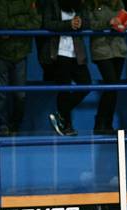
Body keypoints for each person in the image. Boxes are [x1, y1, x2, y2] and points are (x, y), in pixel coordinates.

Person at [43, 0, 91, 137]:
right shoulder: (52, 3)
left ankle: (60, 114)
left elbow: (88, 22)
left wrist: (81, 23)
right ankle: (67, 126)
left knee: (86, 85)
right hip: (59, 53)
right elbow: (47, 23)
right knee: (64, 90)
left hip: (77, 53)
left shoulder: (80, 4)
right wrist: (68, 25)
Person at [0, 0, 39, 136]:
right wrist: (23, 22)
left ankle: (15, 126)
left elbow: (36, 22)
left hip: (21, 53)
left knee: (20, 95)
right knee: (0, 94)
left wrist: (12, 29)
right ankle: (2, 126)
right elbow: (2, 22)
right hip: (1, 53)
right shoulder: (0, 3)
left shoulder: (29, 2)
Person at [86, 0, 127, 135]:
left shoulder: (119, 3)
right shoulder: (91, 4)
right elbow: (89, 24)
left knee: (113, 88)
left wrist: (125, 25)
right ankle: (99, 124)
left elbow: (122, 22)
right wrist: (108, 23)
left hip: (119, 49)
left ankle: (107, 125)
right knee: (111, 83)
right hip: (101, 49)